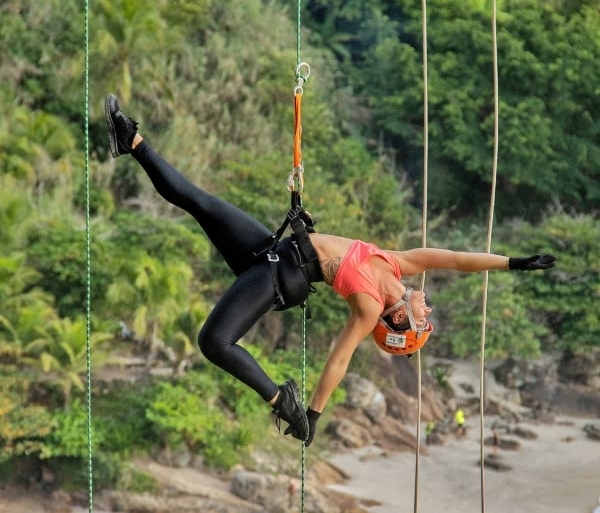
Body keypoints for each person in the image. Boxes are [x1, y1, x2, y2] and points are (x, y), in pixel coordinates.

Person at [104, 94, 556, 448]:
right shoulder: (397, 263)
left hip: (282, 277)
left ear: (400, 319)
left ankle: (281, 400)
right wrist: (513, 263)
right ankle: (132, 141)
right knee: (198, 201)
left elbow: (339, 359)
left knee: (213, 341)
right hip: (277, 251)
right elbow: (458, 260)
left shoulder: (368, 305)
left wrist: (312, 415)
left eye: (425, 318)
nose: (428, 306)